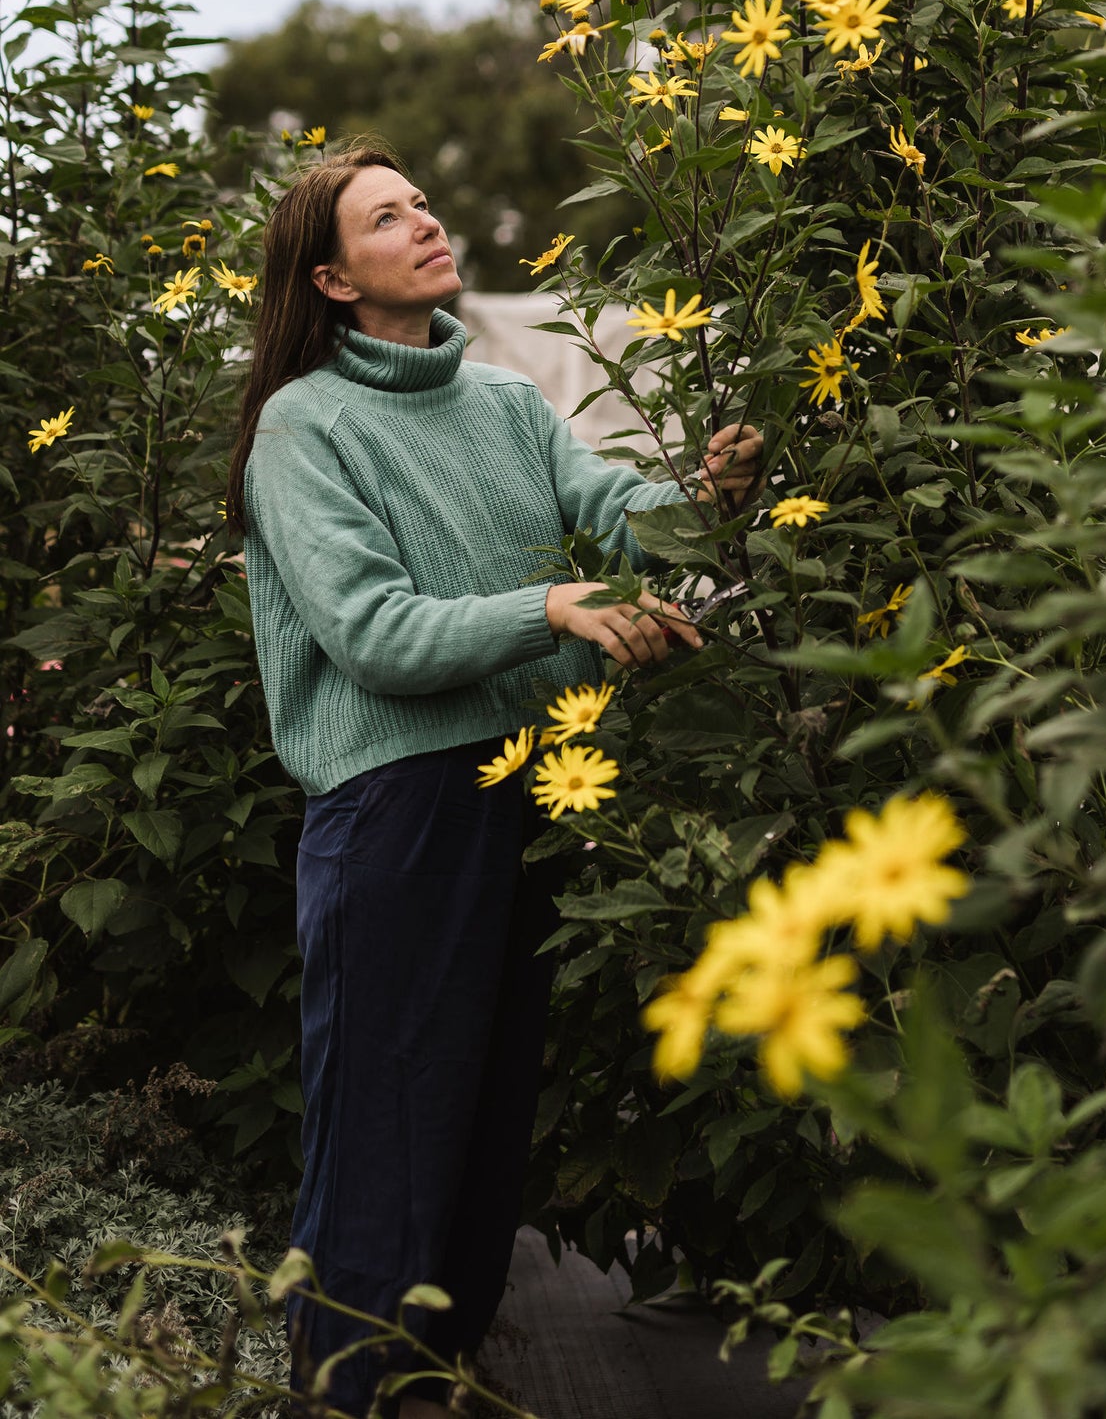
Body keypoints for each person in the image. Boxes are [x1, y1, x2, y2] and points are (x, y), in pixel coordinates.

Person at [226, 142, 761, 1419]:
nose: (424, 222)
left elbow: (616, 510)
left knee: (475, 1134)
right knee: (383, 1144)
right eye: (385, 216)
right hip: (394, 811)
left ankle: (435, 1387)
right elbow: (371, 631)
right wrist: (557, 606)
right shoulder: (305, 428)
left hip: (526, 785)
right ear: (332, 278)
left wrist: (706, 493)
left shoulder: (504, 401)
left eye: (421, 201)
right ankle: (349, 1396)